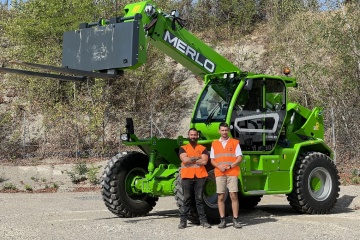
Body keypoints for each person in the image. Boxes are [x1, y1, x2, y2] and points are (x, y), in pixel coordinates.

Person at [210, 122, 243, 229]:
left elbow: (239, 158)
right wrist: (219, 167)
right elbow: (212, 160)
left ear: (228, 131)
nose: (224, 132)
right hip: (220, 173)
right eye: (222, 130)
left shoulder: (234, 142)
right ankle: (222, 220)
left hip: (232, 173)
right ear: (219, 131)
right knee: (221, 196)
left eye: (226, 130)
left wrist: (230, 166)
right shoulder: (214, 143)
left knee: (234, 195)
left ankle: (236, 219)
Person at [178, 128, 211, 229]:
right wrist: (198, 158)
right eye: (191, 135)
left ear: (197, 136)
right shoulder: (183, 148)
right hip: (187, 177)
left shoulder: (203, 148)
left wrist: (191, 159)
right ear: (188, 136)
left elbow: (205, 161)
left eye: (195, 135)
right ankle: (183, 222)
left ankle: (203, 221)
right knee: (186, 199)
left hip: (200, 176)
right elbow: (185, 160)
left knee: (199, 199)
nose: (193, 137)